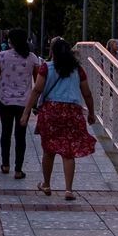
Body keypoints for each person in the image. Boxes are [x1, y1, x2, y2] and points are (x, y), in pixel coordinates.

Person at [32, 37, 99, 201]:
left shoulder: (46, 67)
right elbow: (87, 93)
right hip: (72, 111)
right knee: (68, 152)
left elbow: (37, 90)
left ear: (53, 52)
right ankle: (68, 189)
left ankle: (46, 184)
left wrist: (27, 111)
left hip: (51, 110)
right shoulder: (77, 69)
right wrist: (91, 113)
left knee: (48, 150)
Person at [0, 29, 44, 181]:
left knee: (5, 132)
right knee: (21, 136)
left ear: (11, 41)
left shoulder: (2, 56)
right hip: (24, 103)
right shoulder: (32, 58)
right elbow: (37, 82)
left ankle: (5, 164)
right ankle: (18, 170)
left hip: (5, 101)